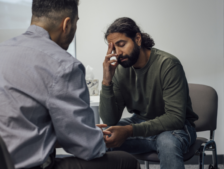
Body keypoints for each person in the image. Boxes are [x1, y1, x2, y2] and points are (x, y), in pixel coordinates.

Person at [0, 1, 140, 169]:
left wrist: (77, 130)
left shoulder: (3, 49)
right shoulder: (64, 65)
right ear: (67, 24)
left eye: (121, 44)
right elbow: (88, 148)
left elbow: (20, 130)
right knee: (126, 161)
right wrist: (87, 133)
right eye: (76, 22)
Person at [100, 17, 199, 169]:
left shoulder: (168, 64)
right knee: (103, 136)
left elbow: (175, 118)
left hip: (176, 128)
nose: (117, 53)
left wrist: (129, 131)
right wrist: (107, 80)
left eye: (122, 44)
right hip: (141, 122)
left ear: (138, 39)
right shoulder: (120, 71)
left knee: (167, 143)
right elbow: (109, 120)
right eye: (113, 49)